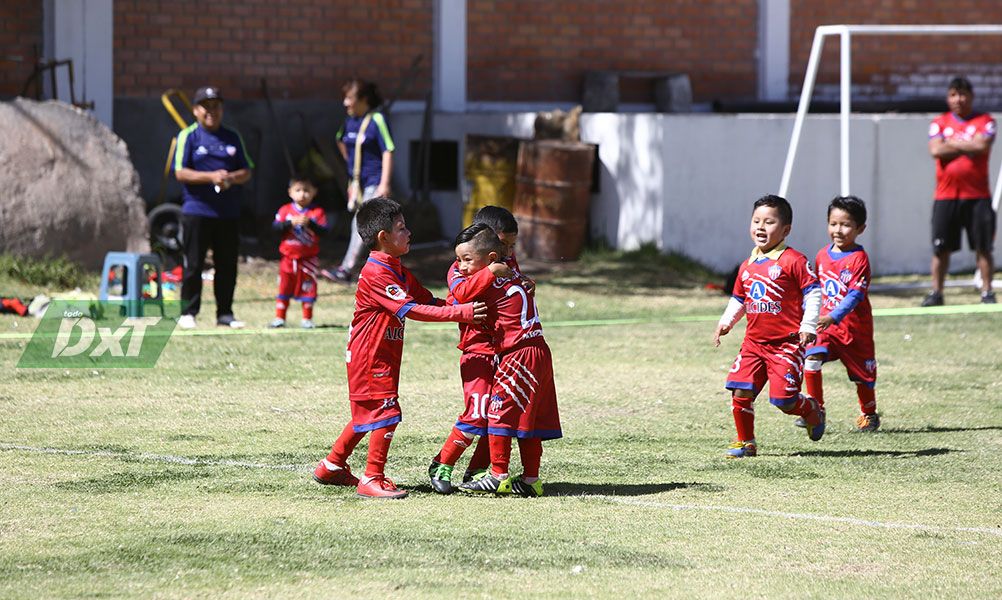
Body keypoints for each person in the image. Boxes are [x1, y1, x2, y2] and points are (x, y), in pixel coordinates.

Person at [312, 197, 487, 499]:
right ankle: (372, 478)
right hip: (370, 355)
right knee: (386, 410)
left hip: (383, 353)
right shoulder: (376, 273)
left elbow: (429, 301)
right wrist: (461, 314)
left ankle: (332, 465)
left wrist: (463, 297)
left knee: (367, 412)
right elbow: (412, 310)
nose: (409, 233)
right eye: (402, 228)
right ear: (384, 237)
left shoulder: (397, 269)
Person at [428, 206, 533, 494]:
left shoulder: (504, 261)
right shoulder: (461, 267)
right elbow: (461, 294)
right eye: (505, 244)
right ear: (486, 241)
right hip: (477, 352)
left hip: (505, 351)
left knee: (498, 412)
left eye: (512, 246)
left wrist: (523, 284)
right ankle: (442, 464)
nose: (509, 252)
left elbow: (510, 291)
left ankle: (479, 469)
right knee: (477, 411)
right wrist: (490, 271)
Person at [453, 223, 561, 498]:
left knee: (497, 413)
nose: (461, 267)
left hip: (518, 354)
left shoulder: (489, 279)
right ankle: (531, 479)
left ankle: (498, 475)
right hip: (539, 351)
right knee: (530, 418)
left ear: (490, 259)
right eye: (458, 260)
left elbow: (461, 294)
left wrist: (488, 272)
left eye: (467, 260)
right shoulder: (515, 276)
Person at [713, 194, 824, 458]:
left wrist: (808, 325)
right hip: (753, 344)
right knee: (741, 389)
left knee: (784, 401)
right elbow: (739, 298)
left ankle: (810, 409)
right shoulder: (747, 266)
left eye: (769, 222)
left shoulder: (794, 260)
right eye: (756, 221)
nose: (761, 227)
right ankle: (746, 442)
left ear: (785, 230)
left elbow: (813, 293)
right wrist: (726, 322)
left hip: (786, 344)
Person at [173, 86, 254, 329]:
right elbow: (180, 172)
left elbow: (247, 170)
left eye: (216, 107)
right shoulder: (189, 136)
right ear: (196, 110)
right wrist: (211, 177)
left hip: (227, 212)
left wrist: (230, 178)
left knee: (227, 264)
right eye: (205, 107)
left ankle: (225, 313)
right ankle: (188, 312)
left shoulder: (232, 136)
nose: (211, 112)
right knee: (194, 264)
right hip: (197, 210)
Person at [800, 196, 879, 432]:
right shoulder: (822, 255)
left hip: (854, 329)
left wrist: (834, 316)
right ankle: (816, 410)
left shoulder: (859, 259)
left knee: (862, 377)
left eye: (846, 225)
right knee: (811, 359)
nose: (838, 230)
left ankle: (869, 413)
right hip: (825, 325)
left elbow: (855, 295)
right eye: (833, 224)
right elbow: (816, 289)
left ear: (860, 229)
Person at [924, 76, 997, 306]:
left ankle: (987, 292)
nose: (959, 99)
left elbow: (981, 146)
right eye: (954, 94)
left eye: (963, 94)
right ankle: (937, 293)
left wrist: (951, 143)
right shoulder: (940, 121)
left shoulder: (985, 120)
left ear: (972, 97)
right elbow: (936, 150)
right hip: (946, 196)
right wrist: (967, 145)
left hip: (978, 197)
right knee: (940, 249)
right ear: (948, 97)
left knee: (983, 247)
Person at [328, 78, 395, 283]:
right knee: (370, 227)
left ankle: (347, 269)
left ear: (363, 99)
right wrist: (353, 176)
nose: (345, 103)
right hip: (358, 184)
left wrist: (384, 183)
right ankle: (378, 272)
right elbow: (340, 140)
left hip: (374, 181)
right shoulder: (350, 121)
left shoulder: (376, 120)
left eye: (350, 98)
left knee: (361, 223)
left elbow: (388, 150)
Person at [270, 173, 329, 329]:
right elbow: (275, 228)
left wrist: (311, 224)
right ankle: (279, 317)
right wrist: (290, 223)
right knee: (284, 287)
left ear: (314, 192)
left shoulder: (317, 212)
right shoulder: (285, 210)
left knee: (308, 289)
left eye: (307, 190)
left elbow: (324, 231)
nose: (302, 194)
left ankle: (307, 318)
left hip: (308, 260)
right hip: (288, 259)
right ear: (290, 192)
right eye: (298, 190)